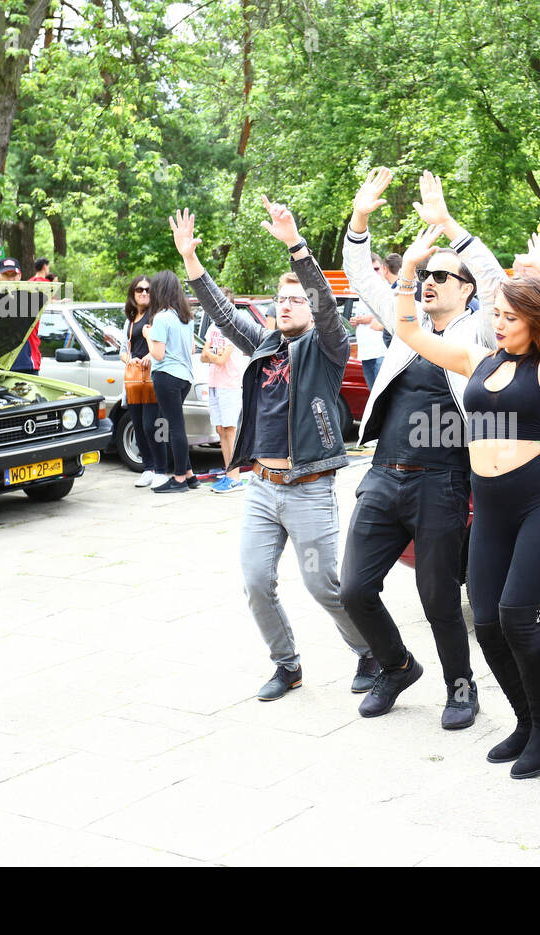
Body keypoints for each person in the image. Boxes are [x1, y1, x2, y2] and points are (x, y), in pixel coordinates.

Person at [393, 224, 540, 778]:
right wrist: (408, 271)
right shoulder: (477, 361)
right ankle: (526, 722)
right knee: (484, 619)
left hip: (539, 500)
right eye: (495, 316)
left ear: (533, 320)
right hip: (491, 504)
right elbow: (409, 332)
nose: (499, 324)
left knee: (515, 614)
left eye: (510, 316)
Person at [170, 200, 375, 700]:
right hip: (261, 487)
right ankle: (287, 666)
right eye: (281, 299)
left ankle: (372, 653)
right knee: (257, 583)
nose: (286, 305)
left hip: (308, 488)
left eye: (295, 299)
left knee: (324, 586)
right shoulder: (263, 344)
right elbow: (221, 310)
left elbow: (326, 304)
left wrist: (295, 246)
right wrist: (191, 261)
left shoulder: (329, 347)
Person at [338, 167, 505, 730]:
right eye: (424, 275)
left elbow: (502, 285)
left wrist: (448, 226)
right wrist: (360, 216)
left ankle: (462, 688)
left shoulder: (482, 330)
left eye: (441, 276)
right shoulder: (407, 325)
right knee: (355, 588)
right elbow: (360, 275)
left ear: (465, 290)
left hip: (443, 481)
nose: (428, 282)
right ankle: (395, 666)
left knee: (438, 598)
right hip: (384, 474)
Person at [142, 271, 198, 493]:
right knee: (168, 422)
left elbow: (158, 354)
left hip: (166, 376)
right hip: (185, 376)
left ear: (158, 291)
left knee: (175, 426)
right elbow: (192, 348)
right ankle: (190, 475)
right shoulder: (186, 317)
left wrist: (147, 335)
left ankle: (179, 479)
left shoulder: (161, 318)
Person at [121, 276, 160, 488]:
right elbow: (122, 351)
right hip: (134, 378)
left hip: (153, 378)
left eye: (148, 289)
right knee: (137, 424)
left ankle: (158, 467)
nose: (144, 293)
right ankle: (148, 467)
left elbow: (165, 346)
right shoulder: (131, 318)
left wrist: (151, 357)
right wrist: (131, 359)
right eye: (139, 290)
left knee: (150, 425)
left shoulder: (157, 317)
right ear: (133, 294)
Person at [202, 319, 246, 493]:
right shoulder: (212, 327)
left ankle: (235, 477)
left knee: (230, 429)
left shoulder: (231, 328)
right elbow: (203, 355)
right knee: (221, 429)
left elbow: (222, 360)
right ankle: (228, 473)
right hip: (214, 383)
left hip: (229, 385)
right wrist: (214, 354)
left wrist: (211, 354)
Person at [0, 258, 42, 375]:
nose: (11, 278)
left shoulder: (31, 297)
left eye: (14, 274)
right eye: (6, 274)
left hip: (27, 366)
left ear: (19, 276)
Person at [350, 255, 387, 390]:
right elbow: (361, 317)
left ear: (384, 269)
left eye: (376, 269)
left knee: (382, 394)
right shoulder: (362, 292)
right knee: (373, 393)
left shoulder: (387, 289)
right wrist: (356, 321)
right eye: (370, 271)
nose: (374, 274)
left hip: (383, 350)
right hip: (366, 351)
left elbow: (393, 313)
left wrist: (368, 318)